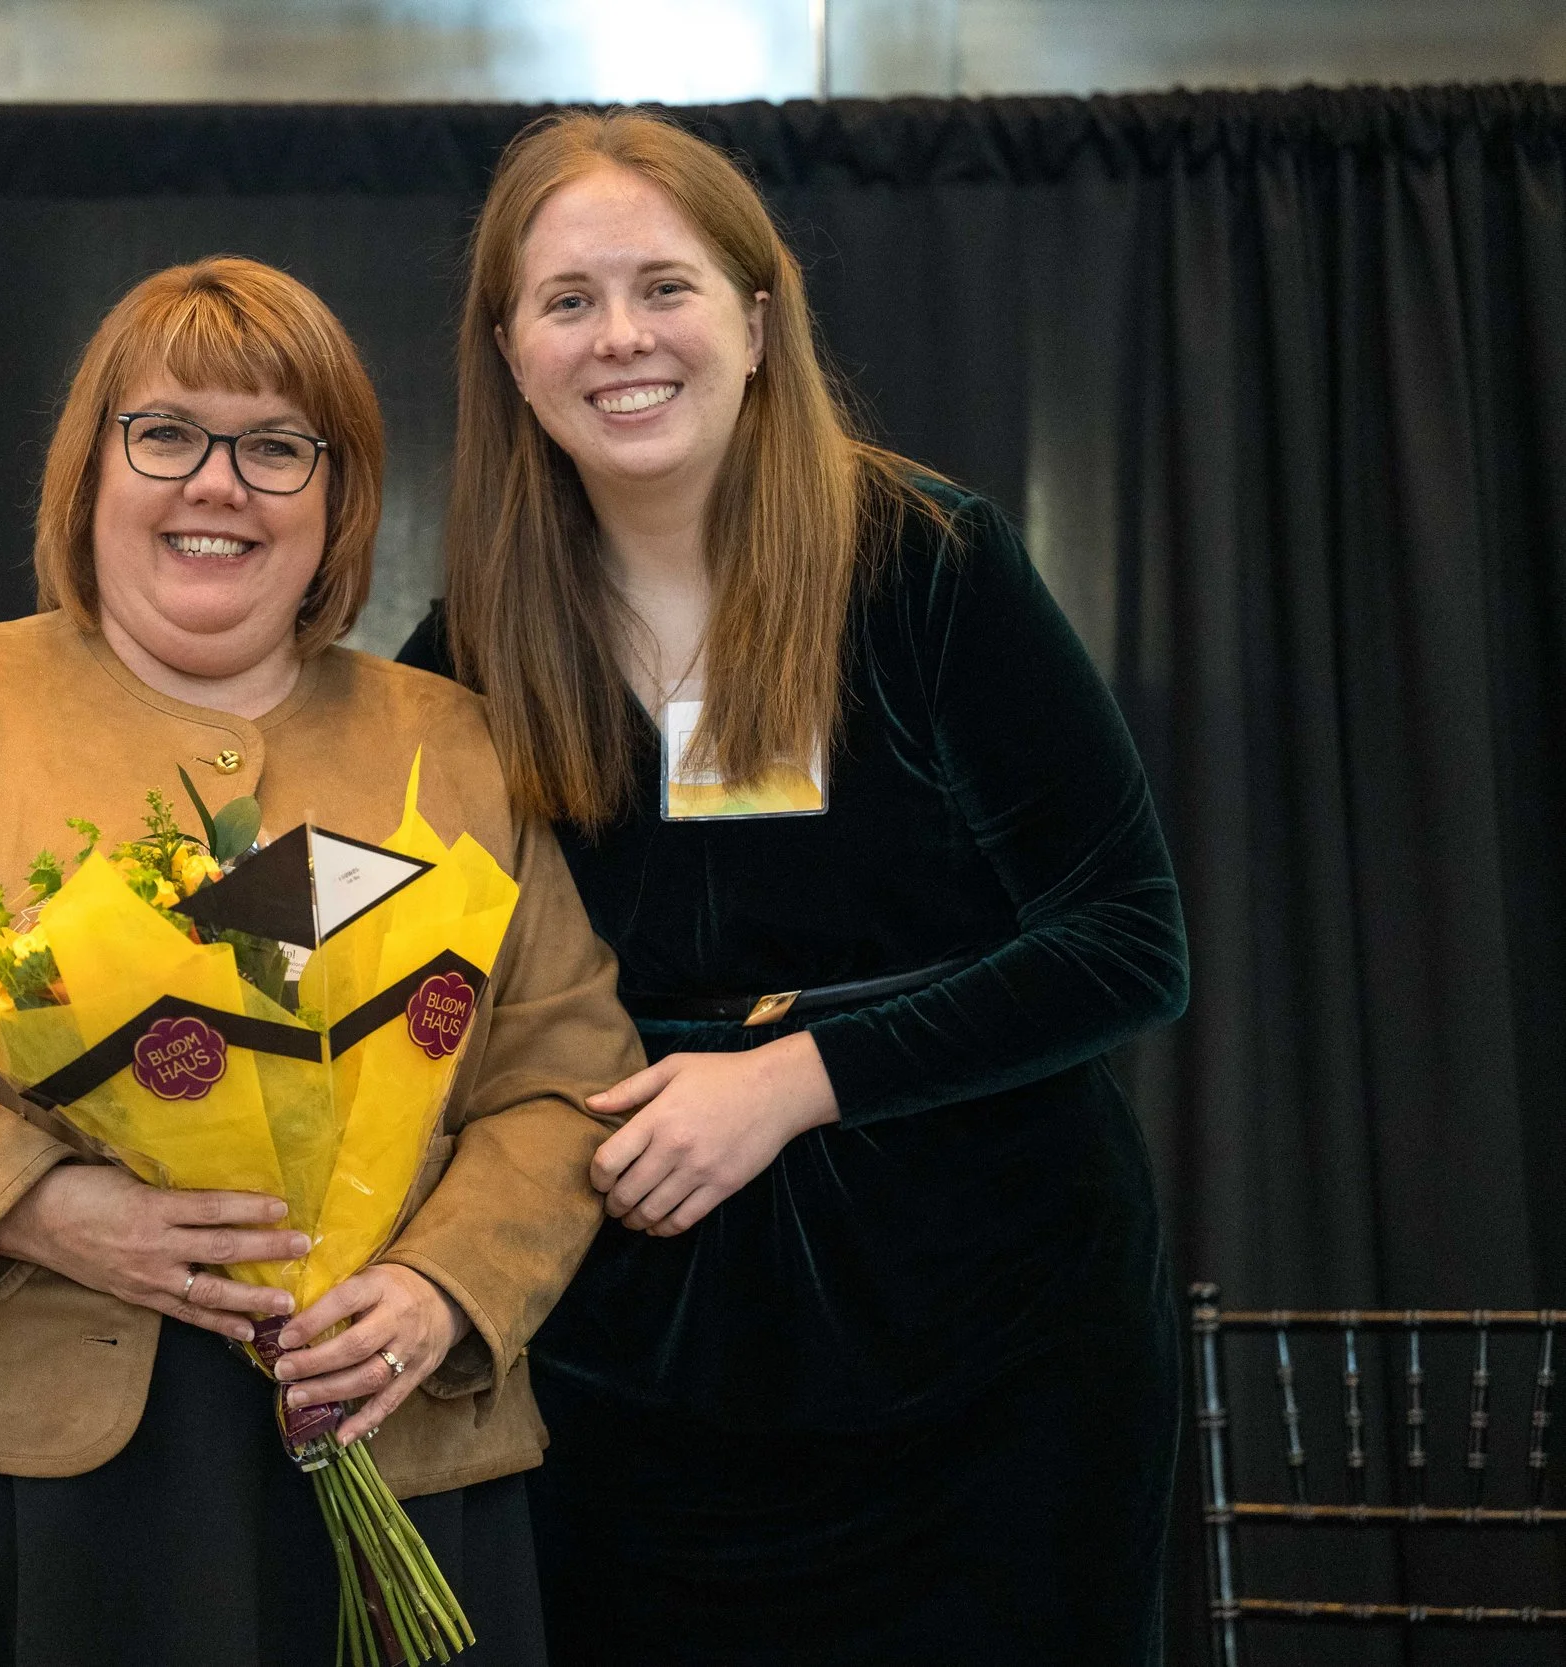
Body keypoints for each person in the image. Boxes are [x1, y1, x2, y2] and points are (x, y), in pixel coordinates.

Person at [0, 255, 643, 1667]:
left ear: (339, 501)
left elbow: (568, 1082)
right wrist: (29, 1200)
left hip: (379, 1447)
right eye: (168, 433)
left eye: (275, 448)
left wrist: (444, 1288)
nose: (218, 484)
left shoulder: (461, 749)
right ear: (90, 475)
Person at [398, 110, 1190, 1664]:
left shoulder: (927, 561)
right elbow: (374, 939)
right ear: (509, 354)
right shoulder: (478, 643)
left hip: (997, 1341)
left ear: (757, 323)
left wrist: (789, 1082)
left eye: (664, 287)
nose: (621, 336)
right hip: (648, 1375)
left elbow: (1129, 942)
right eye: (568, 301)